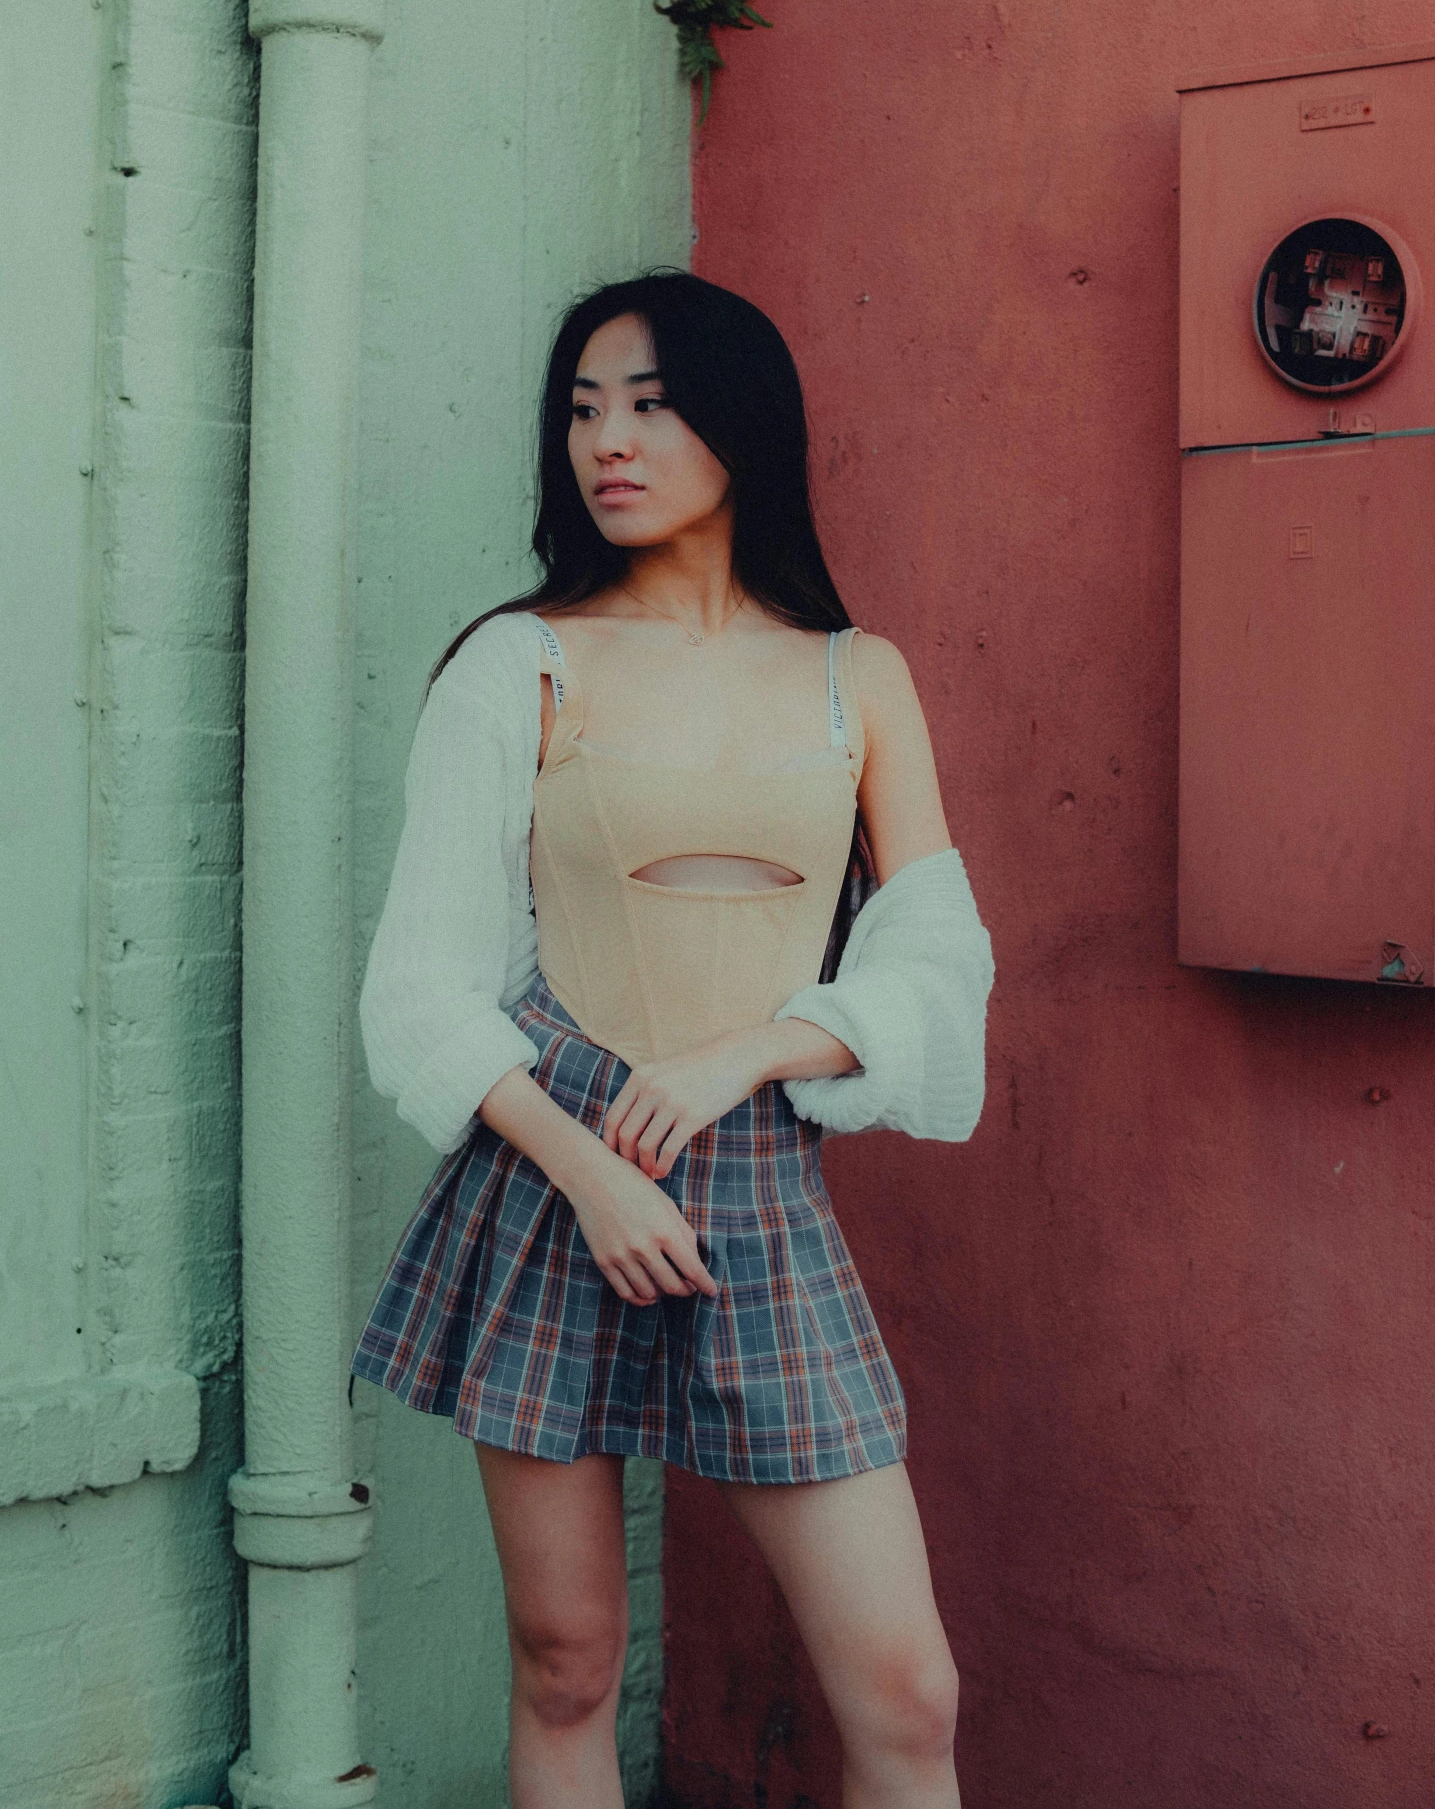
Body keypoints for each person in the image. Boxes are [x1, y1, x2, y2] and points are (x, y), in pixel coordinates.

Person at [353, 269, 994, 1809]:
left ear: (742, 424)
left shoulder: (859, 676)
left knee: (907, 1692)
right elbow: (418, 987)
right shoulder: (520, 662)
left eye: (646, 403)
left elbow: (935, 956)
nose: (606, 443)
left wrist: (757, 1052)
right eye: (581, 410)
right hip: (553, 1167)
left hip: (757, 1172)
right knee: (568, 1655)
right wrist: (591, 1173)